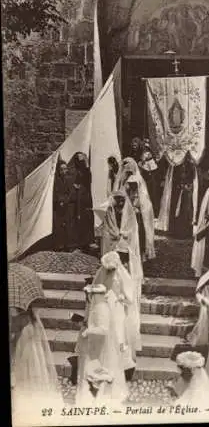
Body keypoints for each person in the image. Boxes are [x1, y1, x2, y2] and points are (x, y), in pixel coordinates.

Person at [9, 265, 63, 414]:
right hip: (26, 331)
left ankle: (22, 401)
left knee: (22, 367)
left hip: (22, 336)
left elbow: (14, 321)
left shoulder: (16, 308)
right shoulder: (24, 293)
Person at [76, 270, 129, 405]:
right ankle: (94, 393)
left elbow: (103, 329)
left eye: (90, 295)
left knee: (100, 368)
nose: (88, 298)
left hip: (100, 346)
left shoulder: (101, 308)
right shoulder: (99, 307)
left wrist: (88, 331)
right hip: (95, 344)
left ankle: (100, 396)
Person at [92, 251, 141, 380]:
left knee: (118, 335)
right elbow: (96, 287)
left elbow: (129, 298)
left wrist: (119, 297)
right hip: (104, 308)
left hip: (117, 309)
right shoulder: (102, 273)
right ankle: (105, 362)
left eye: (112, 269)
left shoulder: (122, 276)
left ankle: (121, 365)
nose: (109, 272)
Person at [100, 190, 143, 328]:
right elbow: (107, 228)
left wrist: (124, 234)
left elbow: (133, 229)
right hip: (113, 244)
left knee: (125, 272)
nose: (120, 203)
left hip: (124, 246)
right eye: (117, 200)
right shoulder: (109, 212)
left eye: (122, 200)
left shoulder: (130, 213)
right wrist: (115, 234)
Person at [117, 157, 155, 261]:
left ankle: (136, 253)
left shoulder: (134, 179)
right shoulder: (129, 178)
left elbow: (136, 195)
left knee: (136, 231)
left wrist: (134, 206)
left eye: (126, 167)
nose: (125, 169)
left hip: (134, 209)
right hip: (128, 208)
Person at [70, 152, 96, 251]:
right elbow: (74, 183)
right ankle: (78, 242)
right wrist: (76, 187)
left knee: (88, 217)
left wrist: (86, 163)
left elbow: (88, 179)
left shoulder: (85, 171)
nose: (82, 162)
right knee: (78, 218)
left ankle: (88, 241)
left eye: (83, 160)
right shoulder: (75, 171)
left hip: (86, 197)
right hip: (78, 198)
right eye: (80, 160)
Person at [52, 159, 78, 251]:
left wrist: (65, 201)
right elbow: (55, 192)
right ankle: (59, 245)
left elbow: (71, 192)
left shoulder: (68, 180)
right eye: (62, 169)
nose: (64, 171)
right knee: (59, 226)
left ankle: (69, 245)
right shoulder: (55, 181)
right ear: (58, 170)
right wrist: (60, 201)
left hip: (66, 205)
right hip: (58, 206)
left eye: (65, 169)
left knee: (68, 225)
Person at [170, 156, 196, 239]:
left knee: (186, 211)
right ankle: (177, 232)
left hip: (187, 192)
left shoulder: (191, 166)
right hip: (179, 192)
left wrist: (188, 186)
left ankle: (186, 233)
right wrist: (180, 185)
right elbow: (175, 178)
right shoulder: (177, 166)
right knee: (178, 211)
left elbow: (193, 178)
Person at [138, 141, 159, 216]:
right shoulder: (142, 160)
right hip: (146, 180)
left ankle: (154, 211)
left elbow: (153, 169)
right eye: (145, 149)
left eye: (147, 149)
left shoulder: (151, 162)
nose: (146, 151)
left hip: (151, 180)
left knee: (153, 194)